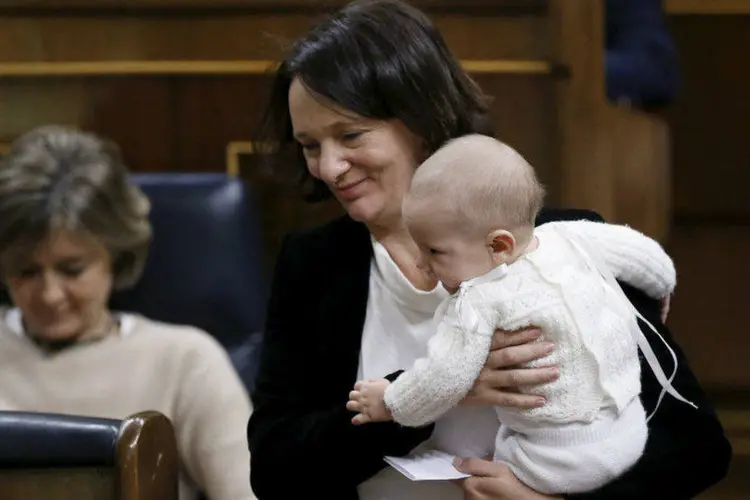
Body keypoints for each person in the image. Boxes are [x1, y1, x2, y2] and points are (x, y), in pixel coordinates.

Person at [246, 1, 731, 499]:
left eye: (350, 135)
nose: (329, 168)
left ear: (420, 117)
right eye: (309, 146)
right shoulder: (314, 264)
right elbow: (275, 471)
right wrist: (439, 393)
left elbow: (696, 445)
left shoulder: (564, 246)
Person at [347, 134, 695, 494]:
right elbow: (639, 251)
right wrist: (661, 288)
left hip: (551, 461)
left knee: (475, 473)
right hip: (629, 430)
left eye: (434, 251)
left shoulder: (478, 300)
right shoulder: (569, 237)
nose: (423, 262)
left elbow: (442, 380)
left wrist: (389, 401)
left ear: (499, 245)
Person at [0, 125, 257, 500]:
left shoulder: (185, 360)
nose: (50, 295)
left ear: (115, 257)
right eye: (26, 271)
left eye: (72, 270)